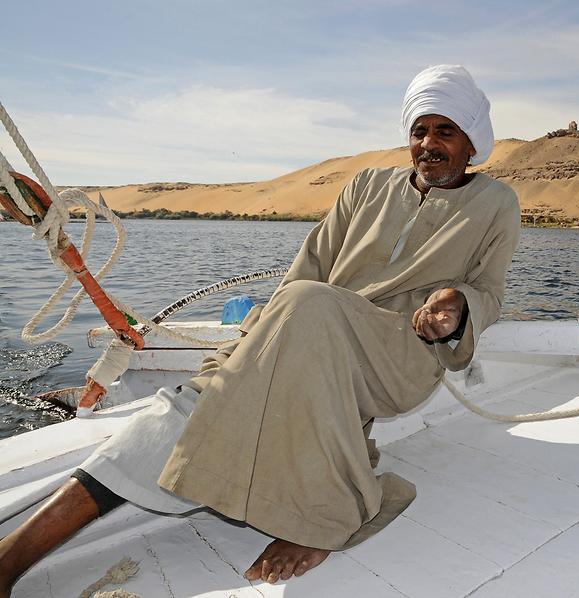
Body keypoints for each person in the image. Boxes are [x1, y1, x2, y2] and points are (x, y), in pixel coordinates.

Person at [0, 64, 520, 594]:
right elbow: (309, 267)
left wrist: (458, 307)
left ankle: (326, 516)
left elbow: (490, 292)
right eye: (419, 131)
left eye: (445, 131)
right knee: (199, 401)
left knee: (302, 307)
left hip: (401, 352)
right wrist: (247, 344)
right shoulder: (367, 185)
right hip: (314, 330)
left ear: (472, 141)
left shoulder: (496, 204)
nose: (428, 144)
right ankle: (10, 559)